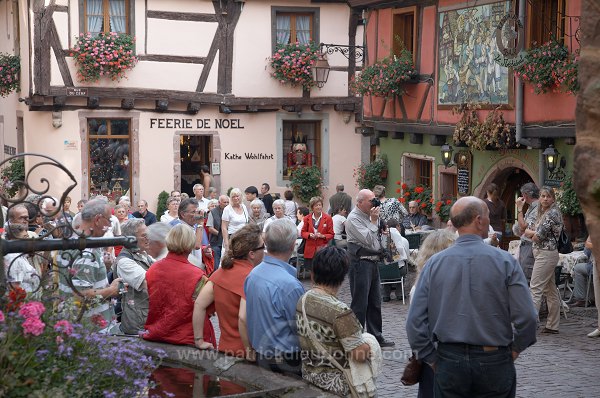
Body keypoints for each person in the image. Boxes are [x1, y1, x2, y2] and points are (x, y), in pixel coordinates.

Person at [407, 197, 537, 398]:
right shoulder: (505, 262)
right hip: (493, 357)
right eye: (487, 216)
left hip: (449, 359)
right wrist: (515, 349)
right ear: (479, 220)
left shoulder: (434, 264)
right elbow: (527, 317)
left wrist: (432, 359)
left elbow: (415, 323)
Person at [296, 247, 373, 397]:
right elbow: (359, 353)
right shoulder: (340, 312)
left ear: (313, 274)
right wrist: (371, 344)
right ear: (342, 277)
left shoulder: (303, 300)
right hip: (337, 387)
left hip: (310, 378)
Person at [244, 219, 305, 376]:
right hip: (286, 359)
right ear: (293, 246)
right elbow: (301, 328)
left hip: (261, 352)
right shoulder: (290, 285)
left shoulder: (253, 274)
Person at [193, 224, 264, 359]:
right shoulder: (251, 277)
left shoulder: (220, 272)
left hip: (224, 347)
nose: (264, 251)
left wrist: (199, 341)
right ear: (252, 253)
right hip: (246, 353)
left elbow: (199, 304)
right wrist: (249, 351)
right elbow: (243, 318)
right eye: (262, 247)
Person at [143, 224, 216, 347]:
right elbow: (207, 309)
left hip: (158, 333)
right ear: (191, 244)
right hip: (188, 338)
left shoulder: (153, 269)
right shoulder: (197, 274)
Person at [408, 229, 456, 398]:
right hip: (439, 354)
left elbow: (415, 328)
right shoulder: (425, 286)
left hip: (434, 355)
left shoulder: (421, 285)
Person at [57, 199, 122, 323]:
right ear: (97, 220)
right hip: (88, 329)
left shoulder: (73, 240)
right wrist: (112, 291)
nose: (109, 226)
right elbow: (80, 295)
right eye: (108, 220)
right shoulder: (85, 251)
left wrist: (105, 267)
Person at [345, 189, 395, 348]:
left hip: (373, 262)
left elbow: (377, 236)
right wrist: (374, 222)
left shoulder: (371, 215)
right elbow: (367, 239)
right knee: (360, 303)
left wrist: (381, 226)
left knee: (375, 302)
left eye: (375, 200)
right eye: (370, 201)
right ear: (359, 203)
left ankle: (376, 337)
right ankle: (356, 339)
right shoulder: (353, 219)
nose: (375, 204)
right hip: (361, 263)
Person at [524, 186, 564, 334]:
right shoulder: (542, 212)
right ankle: (553, 325)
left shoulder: (552, 213)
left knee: (535, 288)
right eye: (542, 196)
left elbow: (537, 236)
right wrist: (531, 231)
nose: (545, 199)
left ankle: (530, 325)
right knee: (550, 289)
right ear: (539, 198)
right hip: (543, 253)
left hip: (546, 253)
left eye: (548, 196)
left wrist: (530, 232)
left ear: (553, 198)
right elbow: (528, 229)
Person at [114, 219, 154, 335]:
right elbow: (149, 283)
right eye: (144, 236)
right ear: (131, 239)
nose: (148, 238)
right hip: (138, 323)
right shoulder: (124, 261)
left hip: (147, 318)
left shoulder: (143, 254)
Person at [301, 196, 334, 272]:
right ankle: (313, 284)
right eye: (316, 205)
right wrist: (309, 235)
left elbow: (331, 234)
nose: (319, 207)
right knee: (312, 270)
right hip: (310, 249)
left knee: (322, 271)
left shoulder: (328, 218)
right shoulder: (307, 218)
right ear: (312, 207)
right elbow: (303, 232)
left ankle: (322, 284)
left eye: (320, 205)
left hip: (322, 249)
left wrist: (322, 236)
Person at [514, 182, 540, 279]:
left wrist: (520, 209)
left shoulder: (537, 207)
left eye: (523, 194)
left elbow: (523, 228)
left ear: (526, 195)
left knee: (526, 276)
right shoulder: (532, 207)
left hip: (530, 245)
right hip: (528, 244)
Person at [381, 219, 410, 302]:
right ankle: (399, 293)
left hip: (383, 270)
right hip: (398, 270)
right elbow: (407, 257)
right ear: (397, 226)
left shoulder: (381, 240)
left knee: (386, 266)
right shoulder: (403, 240)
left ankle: (386, 295)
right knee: (402, 266)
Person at [569, 236, 594, 307]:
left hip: (596, 267)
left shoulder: (595, 233)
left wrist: (588, 241)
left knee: (578, 268)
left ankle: (582, 298)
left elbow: (587, 252)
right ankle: (591, 296)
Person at [207, 195, 229, 269]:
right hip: (216, 242)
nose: (226, 204)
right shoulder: (213, 212)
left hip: (228, 241)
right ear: (219, 203)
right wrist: (221, 233)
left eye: (227, 202)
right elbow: (210, 228)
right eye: (224, 202)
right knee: (216, 265)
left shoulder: (230, 211)